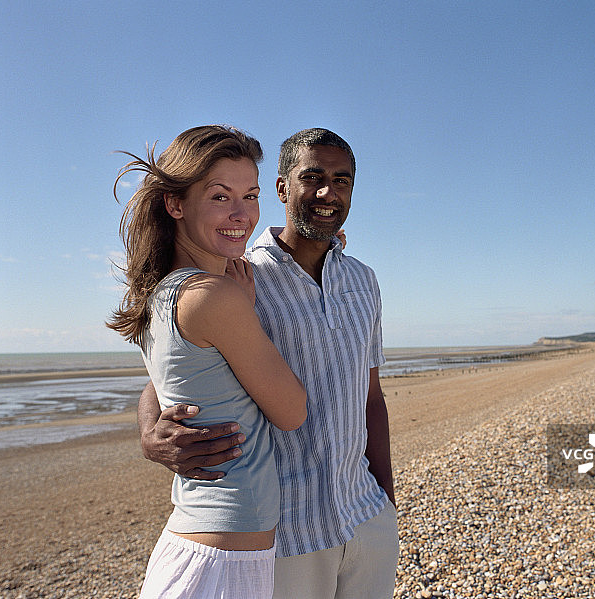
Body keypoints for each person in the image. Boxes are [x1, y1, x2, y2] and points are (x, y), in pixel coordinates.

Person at [138, 128, 399, 598]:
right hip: (286, 539)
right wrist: (149, 433)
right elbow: (166, 376)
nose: (327, 192)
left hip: (366, 517)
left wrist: (387, 502)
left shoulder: (364, 280)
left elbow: (371, 396)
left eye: (342, 181)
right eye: (312, 177)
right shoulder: (238, 274)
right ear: (282, 188)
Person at [108, 125, 308, 599]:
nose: (242, 215)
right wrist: (244, 308)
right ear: (175, 204)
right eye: (221, 197)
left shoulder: (163, 291)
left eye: (251, 195)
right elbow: (292, 411)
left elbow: (165, 382)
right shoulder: (214, 296)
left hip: (206, 544)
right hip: (220, 559)